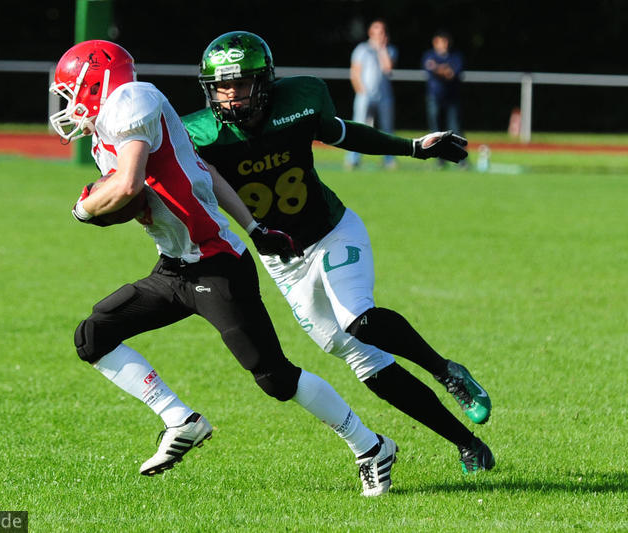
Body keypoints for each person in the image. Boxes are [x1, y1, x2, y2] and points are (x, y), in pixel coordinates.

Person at [49, 39, 398, 497]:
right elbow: (203, 171)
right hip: (175, 269)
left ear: (95, 83)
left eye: (71, 91)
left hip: (217, 266)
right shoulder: (108, 130)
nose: (68, 103)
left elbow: (129, 185)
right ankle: (180, 420)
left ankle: (371, 446)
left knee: (275, 378)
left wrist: (83, 209)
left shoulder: (132, 101)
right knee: (93, 336)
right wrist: (254, 227)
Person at [182, 31, 494, 475]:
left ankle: (446, 371)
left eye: (242, 83)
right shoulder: (197, 133)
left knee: (357, 317)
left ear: (265, 83)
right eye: (222, 86)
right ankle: (468, 445)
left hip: (331, 231)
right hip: (283, 260)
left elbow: (344, 134)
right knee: (361, 359)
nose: (231, 95)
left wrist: (411, 148)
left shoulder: (299, 101)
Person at [345, 18, 397, 170]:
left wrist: (381, 49)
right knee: (358, 128)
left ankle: (389, 160)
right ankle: (353, 159)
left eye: (382, 32)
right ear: (370, 32)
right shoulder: (361, 49)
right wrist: (361, 92)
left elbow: (388, 68)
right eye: (377, 31)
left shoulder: (390, 50)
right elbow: (355, 72)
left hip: (384, 96)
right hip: (365, 95)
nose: (380, 35)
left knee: (387, 129)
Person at [421, 30, 465, 166]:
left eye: (445, 41)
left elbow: (452, 73)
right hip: (434, 97)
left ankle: (462, 160)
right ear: (435, 42)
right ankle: (439, 159)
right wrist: (444, 69)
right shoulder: (429, 55)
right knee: (436, 131)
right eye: (440, 41)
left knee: (455, 129)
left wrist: (438, 68)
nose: (443, 44)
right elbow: (432, 68)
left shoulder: (455, 56)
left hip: (452, 98)